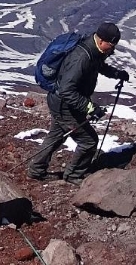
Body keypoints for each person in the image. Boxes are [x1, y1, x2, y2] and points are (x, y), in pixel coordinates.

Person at [27, 22, 130, 184]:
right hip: (64, 105)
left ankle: (36, 170)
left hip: (61, 103)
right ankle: (74, 175)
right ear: (102, 40)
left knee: (56, 136)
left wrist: (116, 73)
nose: (112, 49)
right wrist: (89, 107)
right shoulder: (81, 57)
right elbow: (67, 90)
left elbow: (98, 66)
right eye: (111, 45)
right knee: (89, 141)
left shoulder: (93, 49)